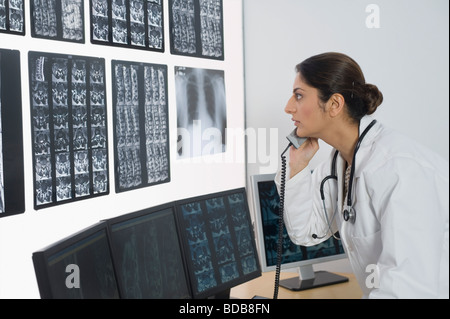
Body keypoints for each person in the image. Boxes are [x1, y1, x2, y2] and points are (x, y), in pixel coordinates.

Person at [275, 52, 449, 298]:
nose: (288, 107)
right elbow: (306, 232)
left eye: (299, 95)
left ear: (335, 104)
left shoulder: (400, 170)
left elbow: (409, 290)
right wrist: (296, 167)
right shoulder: (340, 162)